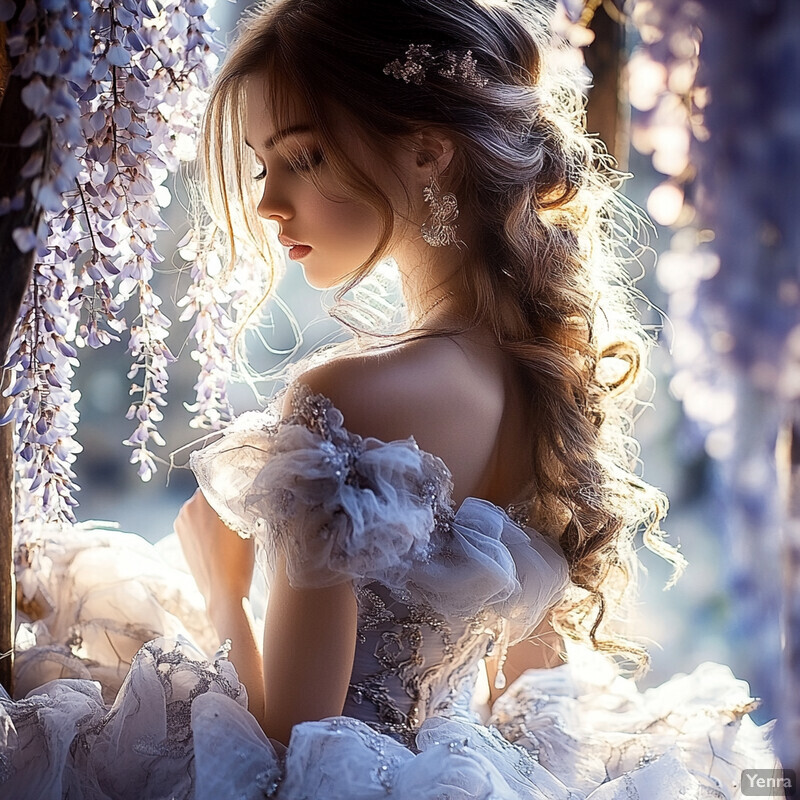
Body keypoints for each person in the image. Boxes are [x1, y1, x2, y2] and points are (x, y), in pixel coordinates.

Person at [0, 0, 780, 797]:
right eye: (262, 165)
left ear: (428, 152)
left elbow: (290, 749)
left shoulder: (343, 397)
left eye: (300, 158)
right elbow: (526, 684)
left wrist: (224, 592)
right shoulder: (539, 375)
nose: (269, 204)